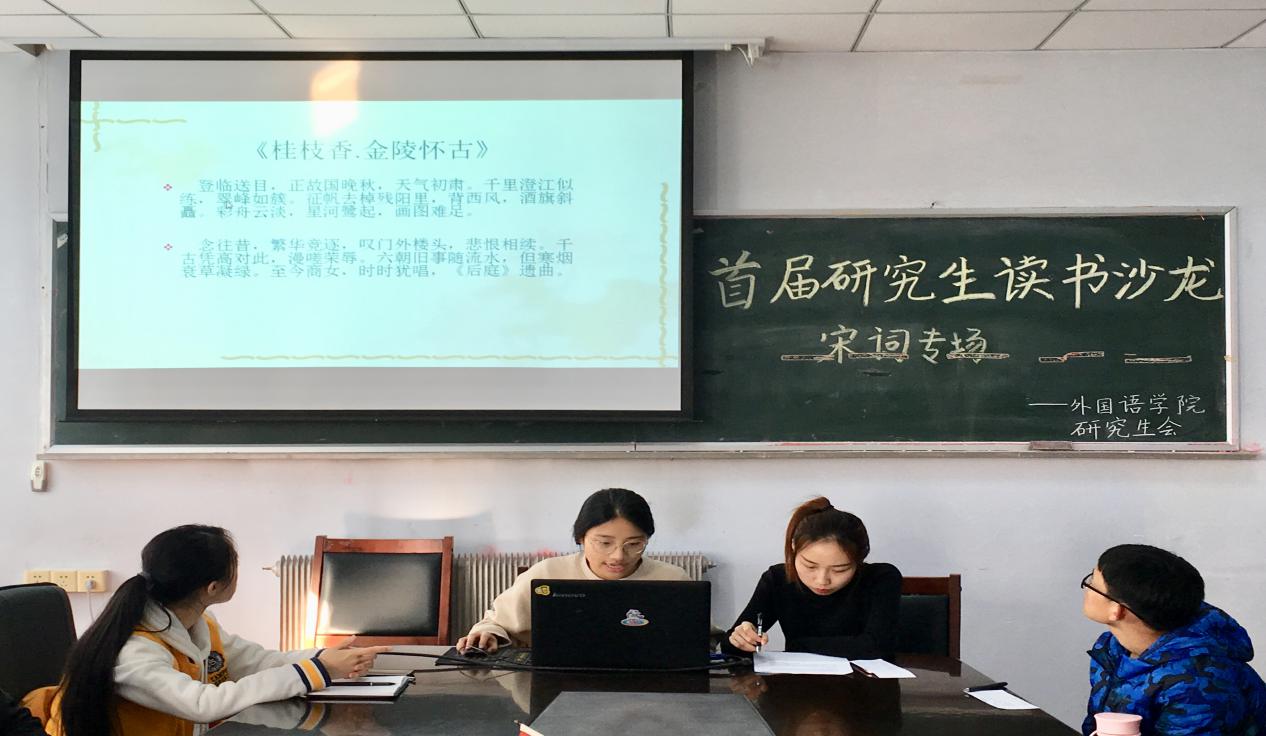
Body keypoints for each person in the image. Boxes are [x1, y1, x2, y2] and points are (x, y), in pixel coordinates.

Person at [48, 524, 389, 736]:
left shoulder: (198, 622)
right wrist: (318, 670)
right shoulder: (136, 650)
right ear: (212, 587)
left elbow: (255, 661)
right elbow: (203, 704)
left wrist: (323, 658)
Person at [456, 488, 690, 653]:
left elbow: (700, 638)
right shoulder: (548, 574)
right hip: (557, 685)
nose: (618, 556)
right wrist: (488, 633)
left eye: (634, 544)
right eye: (604, 543)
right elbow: (495, 622)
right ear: (581, 538)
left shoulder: (673, 579)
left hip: (650, 689)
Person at [1081, 543, 1266, 735]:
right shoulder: (1113, 648)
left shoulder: (1196, 682)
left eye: (1093, 583)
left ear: (1117, 610)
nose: (1087, 588)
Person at [722, 497, 901, 659]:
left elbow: (878, 647)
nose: (822, 580)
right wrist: (740, 639)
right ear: (794, 548)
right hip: (799, 682)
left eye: (840, 570)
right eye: (810, 566)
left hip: (866, 683)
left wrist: (798, 646)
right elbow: (730, 648)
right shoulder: (778, 579)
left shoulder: (881, 578)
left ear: (859, 560)